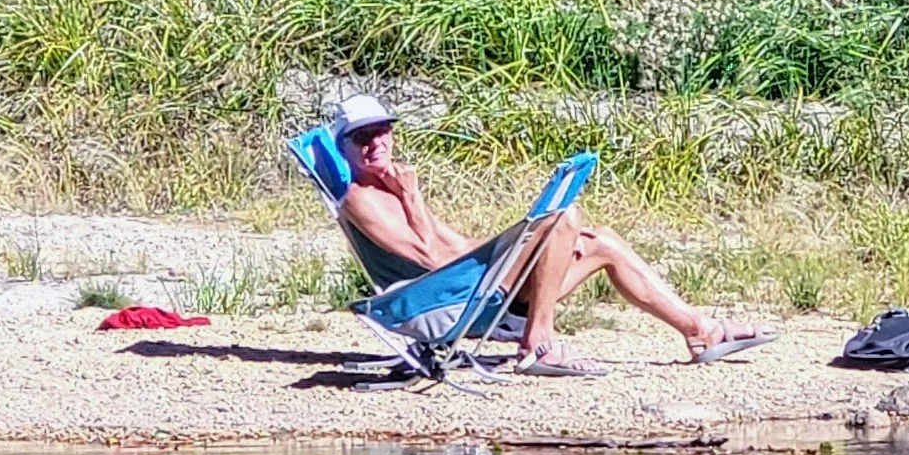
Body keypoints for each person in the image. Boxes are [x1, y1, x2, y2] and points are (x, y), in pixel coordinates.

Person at [329, 94, 775, 377]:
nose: (375, 143)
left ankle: (702, 332)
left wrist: (538, 252)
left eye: (382, 131)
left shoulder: (388, 185)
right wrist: (412, 197)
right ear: (344, 147)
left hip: (474, 291)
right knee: (562, 217)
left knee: (600, 241)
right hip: (444, 304)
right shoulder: (359, 199)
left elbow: (456, 247)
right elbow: (429, 259)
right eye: (361, 137)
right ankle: (537, 344)